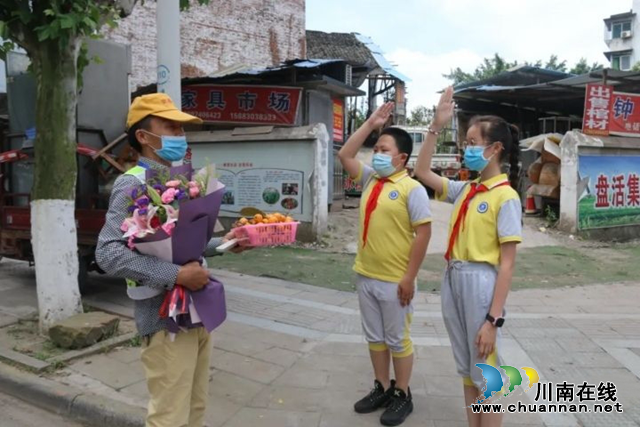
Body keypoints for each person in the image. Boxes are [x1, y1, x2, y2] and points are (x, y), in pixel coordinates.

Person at [96, 93, 243, 427]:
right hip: (164, 319)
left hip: (197, 311)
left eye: (181, 128)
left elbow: (184, 246)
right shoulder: (131, 184)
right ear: (144, 137)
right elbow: (108, 252)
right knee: (169, 416)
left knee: (195, 408)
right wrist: (176, 275)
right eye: (171, 127)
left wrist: (226, 244)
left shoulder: (178, 182)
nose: (179, 135)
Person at [414, 87, 522, 427]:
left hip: (480, 283)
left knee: (486, 370)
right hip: (454, 278)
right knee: (467, 367)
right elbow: (422, 172)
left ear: (495, 149)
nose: (467, 148)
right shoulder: (467, 190)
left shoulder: (506, 197)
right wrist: (435, 125)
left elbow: (507, 263)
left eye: (474, 142)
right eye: (467, 141)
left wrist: (493, 320)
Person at [338, 102, 432, 426]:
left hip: (396, 280)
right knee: (374, 337)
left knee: (397, 339)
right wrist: (369, 125)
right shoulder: (370, 180)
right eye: (375, 148)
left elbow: (423, 235)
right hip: (366, 274)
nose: (376, 153)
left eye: (383, 149)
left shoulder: (412, 189)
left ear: (402, 158)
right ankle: (381, 386)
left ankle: (402, 394)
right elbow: (345, 156)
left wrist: (409, 278)